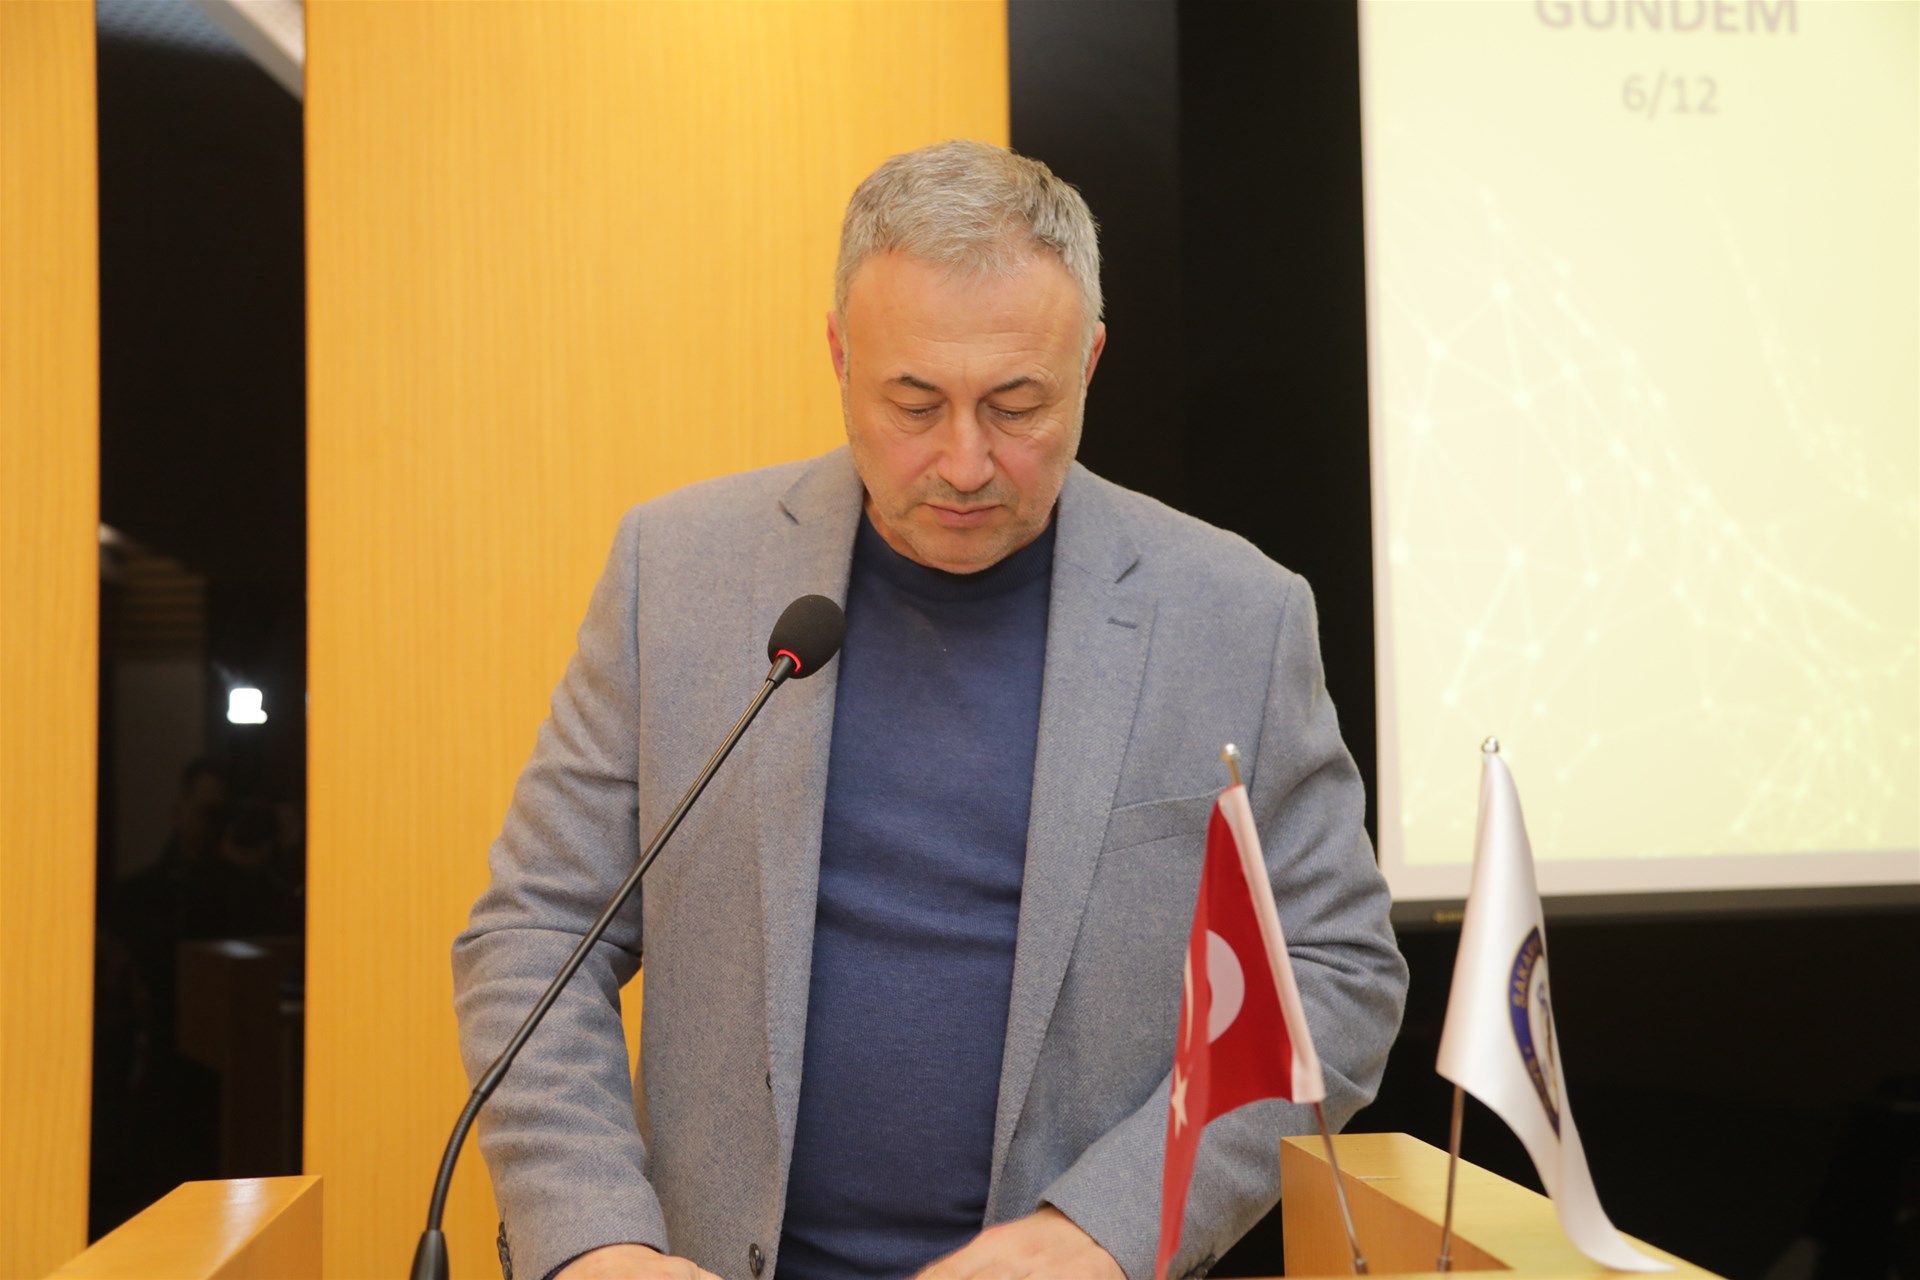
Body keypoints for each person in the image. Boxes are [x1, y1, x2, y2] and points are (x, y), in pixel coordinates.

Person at [454, 140, 1408, 1280]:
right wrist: (594, 1236)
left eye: (1017, 406)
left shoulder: (1236, 615)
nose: (963, 462)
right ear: (839, 356)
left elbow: (1333, 977)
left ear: (1090, 363)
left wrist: (1107, 1229)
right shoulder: (679, 572)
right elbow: (536, 935)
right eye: (914, 403)